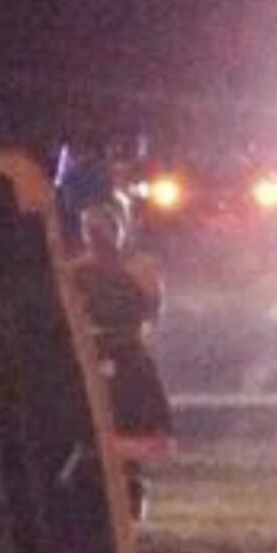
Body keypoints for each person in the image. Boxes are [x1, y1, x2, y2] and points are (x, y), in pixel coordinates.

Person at [66, 196, 173, 516]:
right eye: (90, 230)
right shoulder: (74, 272)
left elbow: (151, 311)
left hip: (125, 359)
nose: (96, 237)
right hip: (89, 359)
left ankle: (119, 475)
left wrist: (108, 447)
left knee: (138, 428)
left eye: (103, 228)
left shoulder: (141, 271)